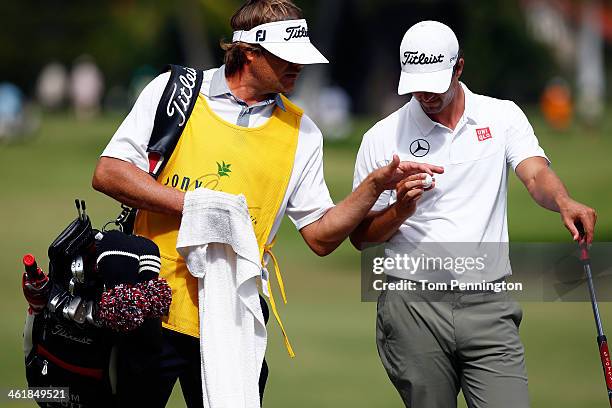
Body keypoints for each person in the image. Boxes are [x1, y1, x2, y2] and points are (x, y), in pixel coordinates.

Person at [92, 1, 442, 407]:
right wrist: (198, 205)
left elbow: (321, 236)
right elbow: (109, 174)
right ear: (249, 52)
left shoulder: (303, 133)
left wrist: (374, 187)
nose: (298, 68)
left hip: (234, 317)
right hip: (150, 307)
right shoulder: (174, 93)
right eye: (287, 58)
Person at [350, 20, 597, 408]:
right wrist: (401, 209)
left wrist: (564, 201)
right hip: (413, 306)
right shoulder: (381, 137)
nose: (424, 95)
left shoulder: (501, 116)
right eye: (416, 83)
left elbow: (535, 174)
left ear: (459, 68)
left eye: (434, 83)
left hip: (489, 304)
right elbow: (361, 236)